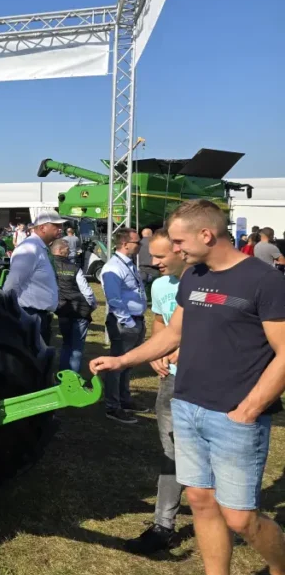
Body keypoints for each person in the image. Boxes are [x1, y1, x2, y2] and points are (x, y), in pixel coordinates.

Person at [91, 200, 285, 575]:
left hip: (234, 415)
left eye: (178, 241)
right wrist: (122, 362)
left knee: (241, 517)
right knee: (200, 500)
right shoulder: (193, 276)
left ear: (205, 236)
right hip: (188, 405)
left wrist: (250, 408)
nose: (171, 249)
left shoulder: (263, 280)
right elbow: (175, 332)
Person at [125, 227, 189, 555]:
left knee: (207, 454)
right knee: (171, 453)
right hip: (170, 382)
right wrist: (156, 352)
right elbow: (162, 322)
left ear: (182, 251)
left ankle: (228, 517)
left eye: (160, 256)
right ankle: (164, 525)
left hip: (204, 384)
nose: (153, 262)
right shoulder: (161, 285)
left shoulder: (205, 283)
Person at [100, 227, 147, 424]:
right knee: (117, 366)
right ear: (125, 244)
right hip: (124, 323)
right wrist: (127, 321)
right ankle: (113, 406)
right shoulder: (113, 268)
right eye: (138, 243)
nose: (140, 246)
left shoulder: (128, 264)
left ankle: (125, 399)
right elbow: (114, 298)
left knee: (128, 364)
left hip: (135, 320)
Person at [2, 209, 63, 344]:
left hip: (38, 316)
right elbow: (12, 283)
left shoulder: (39, 247)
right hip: (30, 315)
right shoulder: (29, 249)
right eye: (56, 226)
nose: (61, 229)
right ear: (42, 228)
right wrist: (9, 313)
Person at [51, 237, 96, 378]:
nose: (70, 252)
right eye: (67, 249)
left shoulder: (48, 266)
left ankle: (62, 378)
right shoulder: (74, 267)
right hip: (80, 309)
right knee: (76, 347)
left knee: (66, 343)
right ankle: (73, 380)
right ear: (60, 251)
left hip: (63, 309)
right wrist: (92, 305)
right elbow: (86, 290)